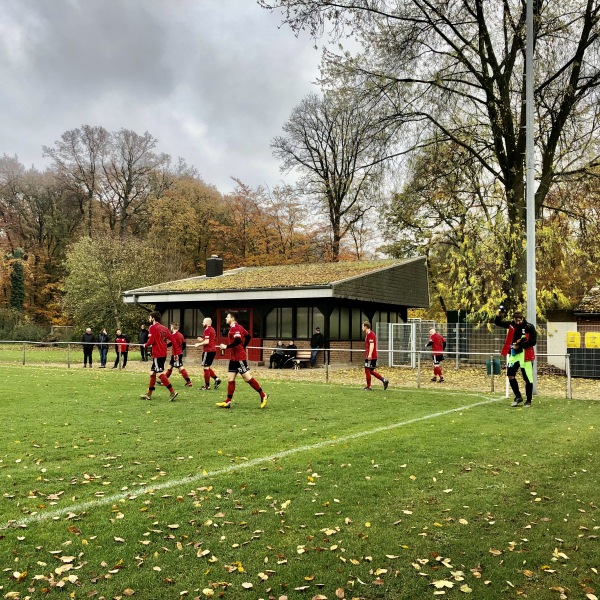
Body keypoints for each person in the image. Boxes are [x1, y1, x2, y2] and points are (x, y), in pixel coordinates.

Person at [217, 311, 268, 409]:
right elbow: (248, 336)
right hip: (233, 358)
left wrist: (226, 346)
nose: (225, 319)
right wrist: (243, 346)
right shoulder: (238, 327)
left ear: (232, 318)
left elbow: (238, 340)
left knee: (247, 378)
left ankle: (263, 395)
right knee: (230, 379)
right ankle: (228, 401)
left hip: (239, 358)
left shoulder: (236, 327)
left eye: (227, 317)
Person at [494, 309, 537, 407]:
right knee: (510, 375)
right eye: (516, 320)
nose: (518, 322)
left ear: (523, 318)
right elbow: (498, 323)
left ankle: (528, 400)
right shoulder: (511, 325)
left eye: (519, 320)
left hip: (526, 355)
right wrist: (499, 315)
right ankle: (518, 397)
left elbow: (533, 341)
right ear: (513, 319)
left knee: (527, 378)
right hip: (514, 355)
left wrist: (520, 345)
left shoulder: (529, 327)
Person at [140, 311, 178, 402]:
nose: (149, 319)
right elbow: (173, 340)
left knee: (159, 373)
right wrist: (175, 353)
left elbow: (151, 341)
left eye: (149, 317)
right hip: (163, 353)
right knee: (152, 373)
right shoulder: (164, 328)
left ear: (153, 318)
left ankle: (172, 392)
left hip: (157, 353)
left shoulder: (152, 327)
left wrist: (145, 345)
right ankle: (148, 394)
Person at [194, 317, 222, 390]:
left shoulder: (207, 330)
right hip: (212, 350)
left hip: (208, 351)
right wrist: (201, 340)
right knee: (207, 367)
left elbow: (207, 342)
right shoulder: (212, 329)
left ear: (207, 323)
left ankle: (207, 386)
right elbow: (208, 340)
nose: (202, 323)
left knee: (205, 368)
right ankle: (216, 379)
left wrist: (198, 344)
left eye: (203, 322)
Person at [362, 321, 389, 391]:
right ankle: (384, 380)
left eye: (362, 326)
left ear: (366, 327)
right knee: (371, 371)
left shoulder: (370, 334)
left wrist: (370, 354)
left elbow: (372, 344)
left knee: (367, 370)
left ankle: (369, 387)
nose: (362, 327)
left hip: (371, 356)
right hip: (371, 356)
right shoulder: (368, 334)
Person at [164, 322, 192, 387]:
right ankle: (164, 381)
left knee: (180, 367)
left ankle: (189, 382)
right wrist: (181, 351)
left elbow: (171, 343)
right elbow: (184, 345)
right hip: (178, 353)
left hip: (175, 354)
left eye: (170, 327)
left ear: (172, 327)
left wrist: (163, 346)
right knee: (170, 366)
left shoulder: (174, 335)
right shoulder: (181, 335)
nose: (170, 328)